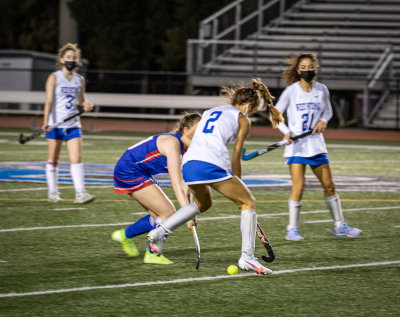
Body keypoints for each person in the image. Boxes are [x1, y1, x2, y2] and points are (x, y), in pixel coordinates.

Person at [147, 78, 284, 274]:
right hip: (211, 164)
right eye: (253, 110)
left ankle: (161, 231)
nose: (251, 114)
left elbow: (185, 138)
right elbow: (236, 157)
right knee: (248, 203)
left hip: (190, 165)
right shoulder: (242, 119)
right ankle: (247, 257)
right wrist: (239, 185)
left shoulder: (211, 112)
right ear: (247, 105)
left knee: (203, 204)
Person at [274, 52, 362, 241]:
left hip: (316, 145)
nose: (307, 70)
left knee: (329, 186)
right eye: (303, 67)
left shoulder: (322, 89)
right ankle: (292, 229)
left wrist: (323, 120)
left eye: (310, 67)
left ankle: (339, 226)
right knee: (298, 188)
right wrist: (285, 131)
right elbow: (275, 114)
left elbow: (328, 110)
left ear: (316, 68)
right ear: (298, 70)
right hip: (297, 147)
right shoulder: (291, 91)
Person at [111, 112, 202, 265]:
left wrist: (190, 211)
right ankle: (153, 253)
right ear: (185, 130)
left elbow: (186, 183)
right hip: (128, 171)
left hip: (140, 171)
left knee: (157, 218)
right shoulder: (173, 144)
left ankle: (124, 235)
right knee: (168, 212)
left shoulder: (188, 149)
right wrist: (186, 213)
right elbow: (177, 184)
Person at [42, 43, 95, 204]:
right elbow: (49, 101)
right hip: (55, 124)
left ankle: (80, 193)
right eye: (68, 57)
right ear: (62, 59)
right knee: (53, 158)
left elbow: (81, 100)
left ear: (78, 60)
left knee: (76, 159)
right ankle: (53, 192)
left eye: (74, 57)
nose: (71, 60)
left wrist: (86, 104)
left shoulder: (80, 80)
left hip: (73, 124)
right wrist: (45, 123)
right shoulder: (54, 77)